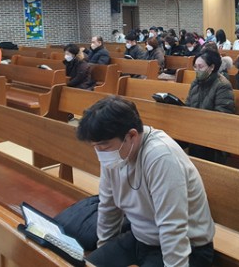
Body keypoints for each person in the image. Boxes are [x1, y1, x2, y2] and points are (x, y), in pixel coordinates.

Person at [77, 96, 215, 267]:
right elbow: (108, 206)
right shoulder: (115, 155)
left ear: (132, 135)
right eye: (96, 148)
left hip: (187, 247)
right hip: (142, 237)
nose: (100, 154)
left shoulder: (161, 157)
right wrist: (105, 250)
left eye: (104, 147)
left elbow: (172, 227)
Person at [186, 50, 235, 161]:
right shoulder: (195, 83)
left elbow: (222, 115)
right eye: (195, 67)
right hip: (195, 131)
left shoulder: (222, 85)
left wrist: (198, 122)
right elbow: (188, 105)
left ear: (212, 67)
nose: (197, 70)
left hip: (214, 137)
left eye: (201, 67)